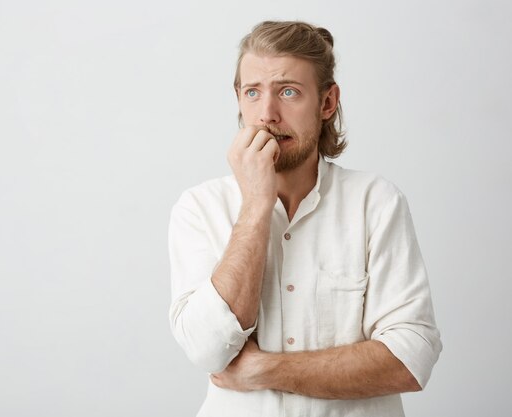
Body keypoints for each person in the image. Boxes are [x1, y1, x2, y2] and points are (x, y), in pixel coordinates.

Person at [168, 20, 442, 417]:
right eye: (252, 93)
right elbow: (208, 350)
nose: (267, 114)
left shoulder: (376, 202)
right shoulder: (199, 208)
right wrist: (256, 206)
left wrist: (262, 369)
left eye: (289, 92)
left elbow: (411, 358)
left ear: (327, 103)